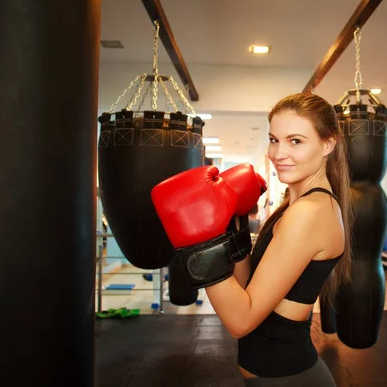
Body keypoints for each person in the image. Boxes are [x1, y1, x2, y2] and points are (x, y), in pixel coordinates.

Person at [151, 92, 352, 386]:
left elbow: (240, 321)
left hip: (288, 378)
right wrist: (235, 225)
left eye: (295, 141)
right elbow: (246, 289)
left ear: (328, 144)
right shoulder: (296, 207)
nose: (279, 153)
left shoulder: (309, 213)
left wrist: (200, 244)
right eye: (274, 139)